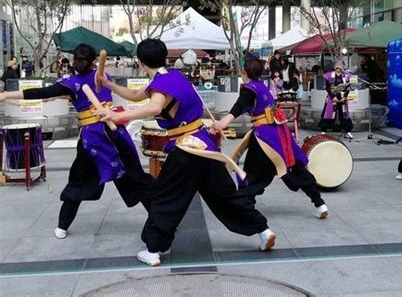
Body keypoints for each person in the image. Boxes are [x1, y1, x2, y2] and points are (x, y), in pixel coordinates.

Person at [95, 38, 276, 267]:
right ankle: (263, 230)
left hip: (186, 149)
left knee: (165, 197)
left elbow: (154, 107)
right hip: (205, 146)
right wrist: (108, 84)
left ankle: (153, 250)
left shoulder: (162, 84)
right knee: (225, 194)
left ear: (141, 62)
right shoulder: (173, 78)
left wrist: (119, 117)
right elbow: (137, 95)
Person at [0, 44, 154, 239]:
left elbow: (42, 93)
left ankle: (159, 220)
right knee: (105, 177)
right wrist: (6, 95)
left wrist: (6, 95)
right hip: (104, 137)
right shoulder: (87, 79)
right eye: (79, 60)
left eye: (80, 60)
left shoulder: (90, 79)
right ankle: (64, 224)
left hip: (104, 136)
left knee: (118, 178)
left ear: (83, 62)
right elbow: (42, 93)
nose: (78, 63)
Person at [211, 57, 328, 219]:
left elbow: (238, 107)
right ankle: (320, 203)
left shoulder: (249, 88)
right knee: (293, 167)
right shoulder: (262, 87)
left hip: (264, 137)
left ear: (244, 73)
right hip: (280, 133)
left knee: (254, 174)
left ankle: (245, 210)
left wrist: (222, 122)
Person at [318, 60, 354, 139]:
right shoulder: (329, 75)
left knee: (344, 115)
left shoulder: (346, 76)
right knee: (328, 113)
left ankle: (348, 131)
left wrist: (345, 97)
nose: (338, 66)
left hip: (342, 97)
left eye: (340, 65)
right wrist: (333, 97)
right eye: (337, 64)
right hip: (332, 97)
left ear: (343, 67)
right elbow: (327, 88)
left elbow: (348, 88)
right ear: (334, 66)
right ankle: (323, 130)